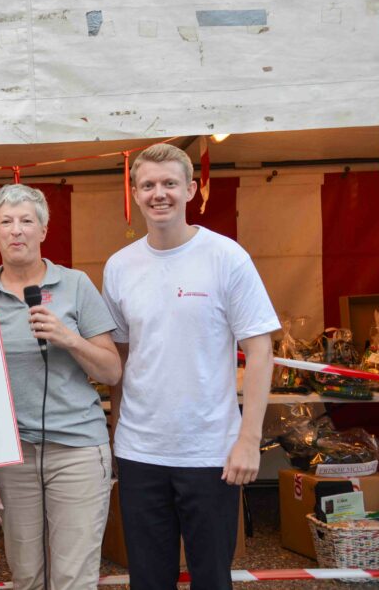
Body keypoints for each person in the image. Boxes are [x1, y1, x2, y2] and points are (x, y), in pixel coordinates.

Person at [102, 143, 278, 589]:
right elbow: (121, 358)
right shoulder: (119, 267)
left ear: (191, 189)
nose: (158, 194)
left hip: (211, 452)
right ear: (135, 193)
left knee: (212, 578)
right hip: (140, 451)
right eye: (148, 185)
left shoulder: (226, 257)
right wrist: (116, 431)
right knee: (147, 579)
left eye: (169, 184)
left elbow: (260, 350)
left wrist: (248, 440)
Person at [0, 184, 120, 590]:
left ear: (44, 231)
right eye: (6, 222)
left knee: (73, 577)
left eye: (27, 221)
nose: (17, 231)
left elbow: (112, 371)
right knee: (26, 575)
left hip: (78, 450)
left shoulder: (77, 285)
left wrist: (70, 339)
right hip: (13, 457)